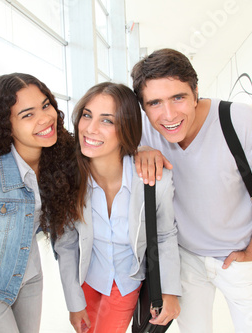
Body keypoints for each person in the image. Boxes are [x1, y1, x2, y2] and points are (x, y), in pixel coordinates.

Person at [131, 48, 252, 332]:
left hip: (241, 257)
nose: (168, 114)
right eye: (155, 102)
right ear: (144, 106)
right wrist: (139, 150)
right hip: (186, 259)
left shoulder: (241, 121)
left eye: (178, 97)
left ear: (195, 93)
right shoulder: (144, 129)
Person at [0, 73, 78, 333]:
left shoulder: (60, 158)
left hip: (30, 278)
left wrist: (143, 151)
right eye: (27, 114)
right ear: (7, 126)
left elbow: (107, 147)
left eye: (46, 105)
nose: (45, 118)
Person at [54, 82, 181, 333]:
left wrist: (170, 290)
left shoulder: (154, 180)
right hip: (87, 279)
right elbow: (66, 243)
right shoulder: (70, 177)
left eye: (107, 121)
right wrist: (73, 300)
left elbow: (166, 234)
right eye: (87, 115)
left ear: (127, 128)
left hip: (125, 281)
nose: (90, 129)